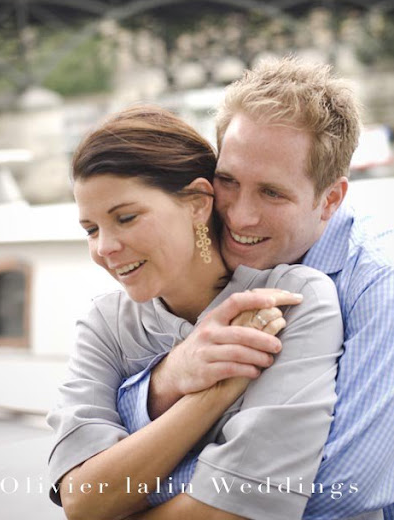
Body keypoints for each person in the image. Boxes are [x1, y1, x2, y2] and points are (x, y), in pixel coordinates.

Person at [126, 56, 394, 520]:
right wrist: (165, 380)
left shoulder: (379, 285)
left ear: (329, 199)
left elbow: (346, 489)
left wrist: (129, 495)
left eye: (272, 193)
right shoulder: (193, 250)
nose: (238, 216)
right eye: (227, 181)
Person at [47, 104, 343, 520]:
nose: (105, 248)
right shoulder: (103, 325)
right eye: (91, 230)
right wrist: (211, 394)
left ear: (198, 203)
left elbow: (246, 503)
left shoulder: (293, 300)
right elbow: (81, 500)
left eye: (126, 218)